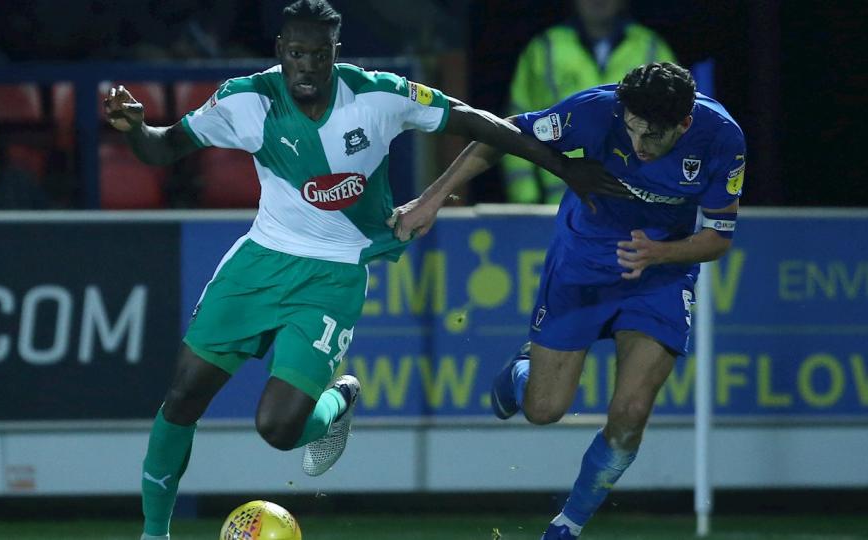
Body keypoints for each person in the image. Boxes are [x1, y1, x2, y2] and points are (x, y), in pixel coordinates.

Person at [103, 2, 627, 539]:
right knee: (183, 396)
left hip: (334, 276)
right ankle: (154, 533)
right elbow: (164, 148)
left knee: (278, 429)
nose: (307, 65)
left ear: (336, 53)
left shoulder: (378, 96)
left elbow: (475, 121)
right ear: (281, 50)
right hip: (260, 262)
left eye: (319, 54)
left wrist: (563, 167)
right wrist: (137, 129)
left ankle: (339, 399)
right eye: (297, 53)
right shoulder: (246, 100)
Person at [390, 62, 745, 539]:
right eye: (632, 129)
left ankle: (567, 527)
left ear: (684, 123)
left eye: (653, 135)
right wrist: (432, 198)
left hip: (659, 274)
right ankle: (521, 371)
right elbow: (500, 134)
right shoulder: (597, 111)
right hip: (581, 265)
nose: (638, 145)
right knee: (544, 410)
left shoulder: (722, 138)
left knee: (631, 414)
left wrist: (660, 253)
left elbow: (718, 238)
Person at [503, 0, 675, 205]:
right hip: (559, 205)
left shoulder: (652, 48)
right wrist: (525, 202)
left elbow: (676, 126)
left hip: (637, 205)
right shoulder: (545, 48)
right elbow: (517, 124)